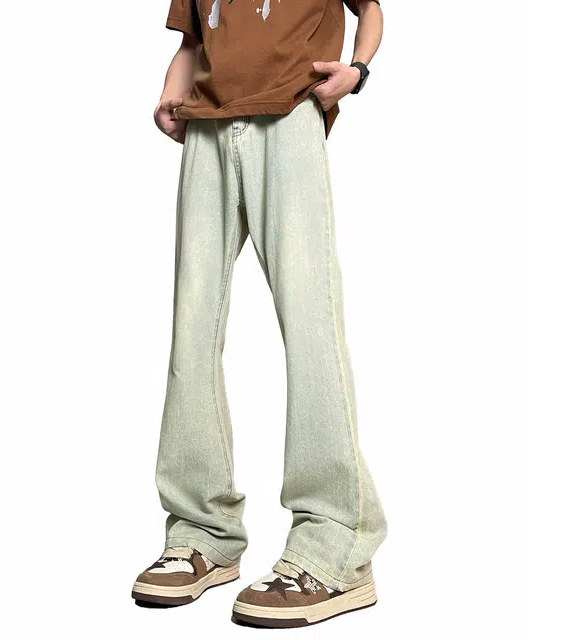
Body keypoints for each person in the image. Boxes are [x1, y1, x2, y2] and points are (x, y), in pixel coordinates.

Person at [132, 0, 387, 628]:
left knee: (309, 322)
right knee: (191, 331)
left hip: (289, 116)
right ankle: (202, 532)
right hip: (207, 128)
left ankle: (337, 543)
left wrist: (357, 71)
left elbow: (371, 8)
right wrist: (168, 95)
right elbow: (192, 44)